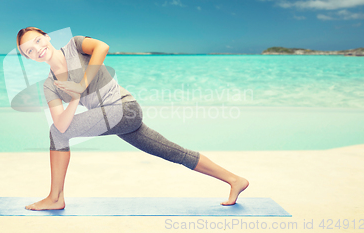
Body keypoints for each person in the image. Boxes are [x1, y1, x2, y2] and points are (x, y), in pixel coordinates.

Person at [16, 27, 249, 211]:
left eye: (37, 41)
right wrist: (75, 99)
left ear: (46, 37)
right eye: (29, 51)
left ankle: (56, 197)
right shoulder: (50, 86)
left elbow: (102, 47)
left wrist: (81, 85)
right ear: (29, 59)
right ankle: (234, 179)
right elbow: (61, 124)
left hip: (125, 109)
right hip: (114, 120)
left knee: (57, 134)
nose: (36, 49)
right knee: (171, 151)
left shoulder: (75, 45)